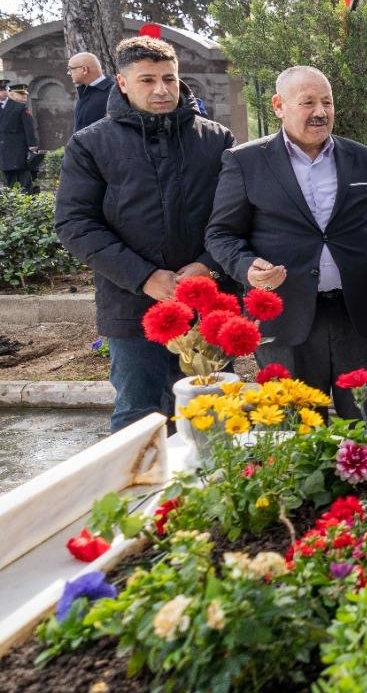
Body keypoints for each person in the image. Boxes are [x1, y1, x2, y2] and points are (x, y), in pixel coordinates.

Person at [206, 66, 367, 427]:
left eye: (327, 102)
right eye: (308, 102)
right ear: (279, 105)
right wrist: (247, 267)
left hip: (355, 314)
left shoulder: (361, 158)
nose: (320, 112)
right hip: (285, 316)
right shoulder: (245, 161)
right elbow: (220, 234)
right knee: (295, 433)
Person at [54, 35, 235, 431]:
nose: (161, 90)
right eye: (147, 80)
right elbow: (75, 223)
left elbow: (238, 215)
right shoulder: (91, 144)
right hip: (133, 306)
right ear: (122, 82)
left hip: (206, 303)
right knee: (140, 420)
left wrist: (208, 265)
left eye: (169, 79)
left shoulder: (216, 139)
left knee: (214, 419)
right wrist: (144, 277)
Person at [0, 84, 38, 192]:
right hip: (3, 148)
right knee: (8, 176)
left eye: (4, 90)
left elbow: (28, 127)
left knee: (23, 174)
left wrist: (32, 144)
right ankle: (12, 199)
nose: (2, 92)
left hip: (18, 147)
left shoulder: (20, 107)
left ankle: (28, 196)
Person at [68, 52, 114, 133]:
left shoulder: (113, 92)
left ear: (84, 70)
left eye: (71, 69)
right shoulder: (83, 90)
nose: (68, 73)